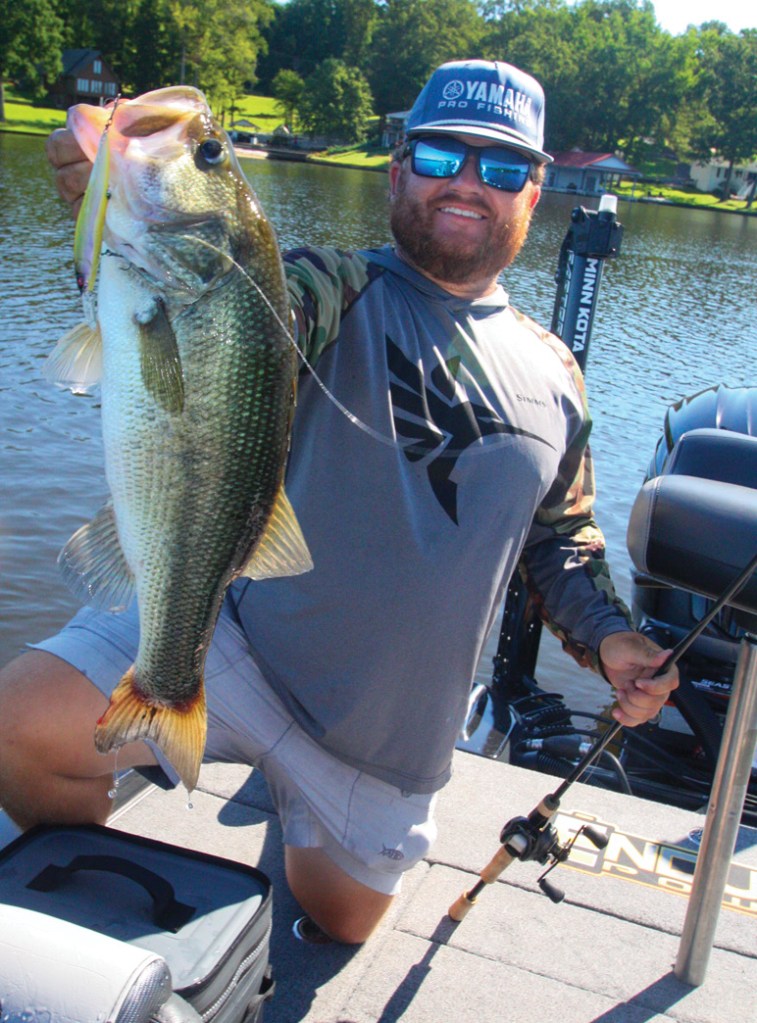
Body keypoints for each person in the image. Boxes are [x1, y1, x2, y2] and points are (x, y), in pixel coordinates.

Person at [0, 59, 677, 944]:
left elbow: (558, 536)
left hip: (382, 743)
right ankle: (93, 921)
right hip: (236, 644)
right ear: (398, 170)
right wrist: (107, 210)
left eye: (502, 166)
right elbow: (229, 305)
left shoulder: (557, 373)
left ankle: (294, 805)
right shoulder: (328, 287)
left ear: (535, 192)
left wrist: (609, 637)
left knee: (341, 920)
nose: (467, 182)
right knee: (13, 728)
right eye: (440, 157)